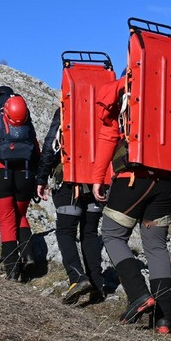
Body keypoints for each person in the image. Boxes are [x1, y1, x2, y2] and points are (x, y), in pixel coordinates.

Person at [91, 78, 171, 334]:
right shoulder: (170, 94)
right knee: (156, 246)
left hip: (134, 178)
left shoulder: (123, 94)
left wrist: (98, 178)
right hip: (169, 181)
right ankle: (164, 319)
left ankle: (138, 294)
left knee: (112, 235)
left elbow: (108, 137)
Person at [35, 107, 106, 305]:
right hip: (96, 180)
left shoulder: (66, 108)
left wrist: (41, 178)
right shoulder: (103, 110)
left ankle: (77, 278)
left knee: (65, 232)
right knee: (90, 233)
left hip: (69, 180)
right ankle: (98, 285)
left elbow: (50, 145)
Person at [0, 85, 40, 282]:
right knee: (20, 215)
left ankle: (12, 269)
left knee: (6, 220)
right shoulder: (27, 124)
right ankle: (28, 255)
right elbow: (36, 151)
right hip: (25, 174)